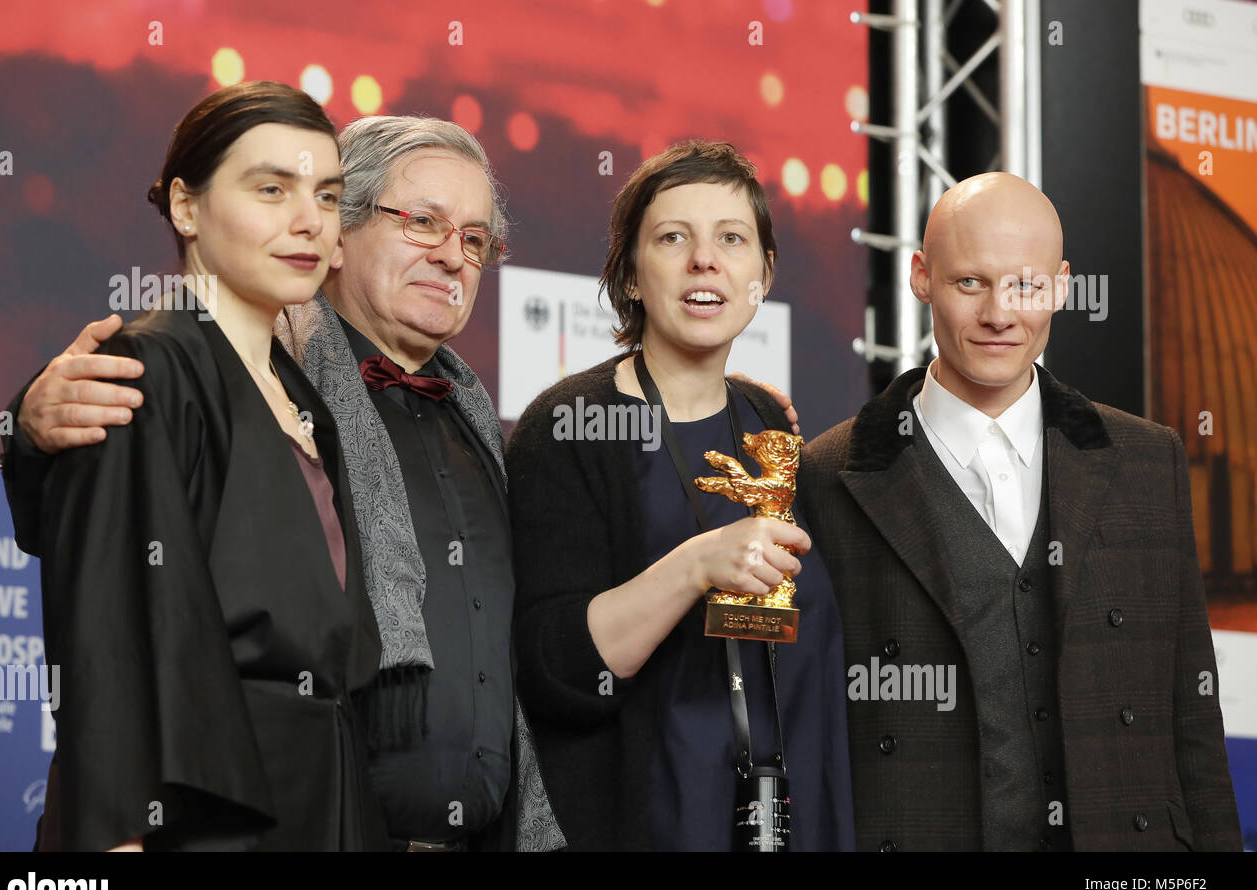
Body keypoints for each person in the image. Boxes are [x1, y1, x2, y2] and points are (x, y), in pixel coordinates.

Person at [2, 114, 567, 851]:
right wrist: (31, 425)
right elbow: (117, 601)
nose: (451, 256)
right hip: (270, 820)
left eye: (473, 239)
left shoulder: (486, 430)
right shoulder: (255, 371)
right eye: (423, 222)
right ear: (341, 236)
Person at [797, 171, 1242, 851]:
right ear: (922, 277)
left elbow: (1192, 713)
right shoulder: (827, 476)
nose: (1000, 313)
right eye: (970, 282)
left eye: (1027, 286)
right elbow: (810, 728)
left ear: (1061, 287)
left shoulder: (1147, 461)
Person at [20, 81, 390, 850]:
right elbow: (108, 637)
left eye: (326, 195)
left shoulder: (305, 398)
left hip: (323, 804)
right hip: (196, 818)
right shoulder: (143, 366)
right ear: (186, 207)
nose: (307, 222)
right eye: (270, 189)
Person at [504, 141, 855, 851]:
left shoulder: (768, 423)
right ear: (631, 275)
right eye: (673, 239)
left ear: (763, 275)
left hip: (784, 814)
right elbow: (554, 670)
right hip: (646, 823)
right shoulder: (569, 426)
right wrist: (696, 565)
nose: (706, 261)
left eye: (732, 239)